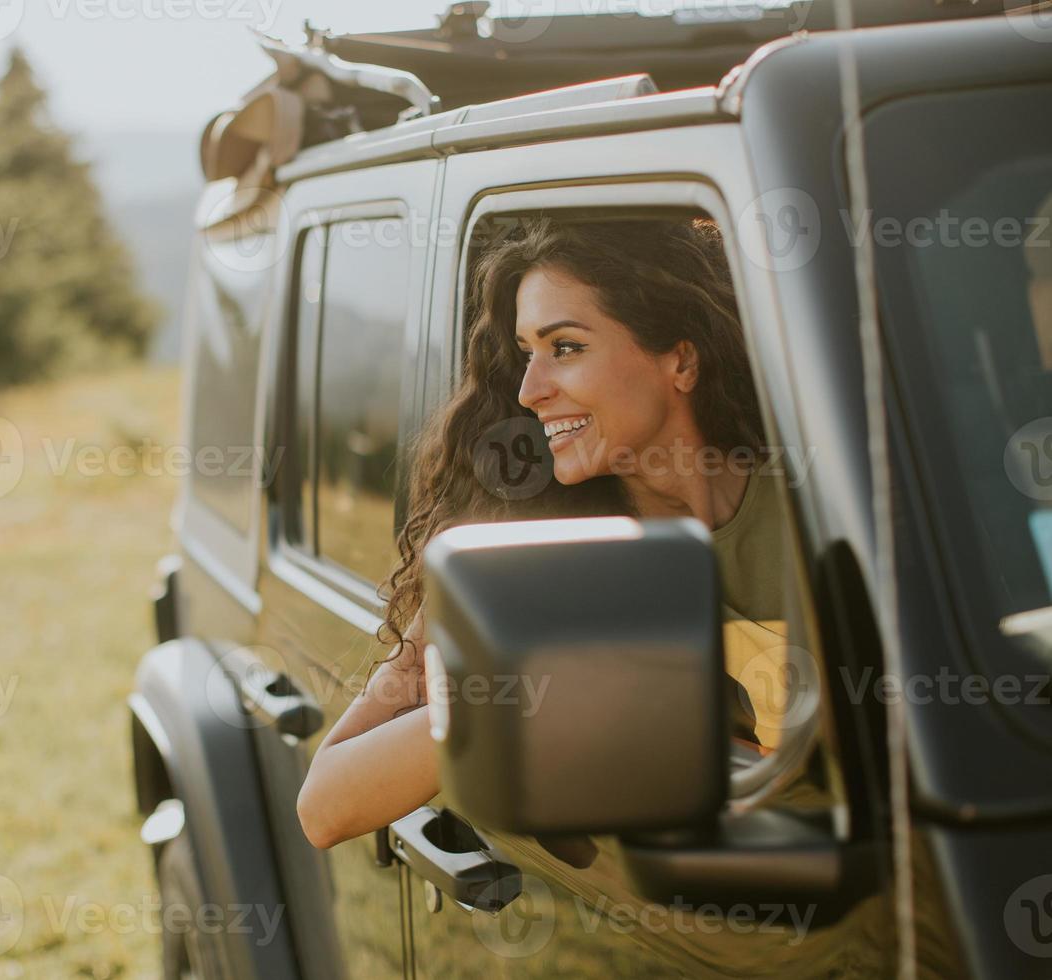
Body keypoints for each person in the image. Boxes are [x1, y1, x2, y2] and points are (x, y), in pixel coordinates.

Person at [296, 216, 786, 850]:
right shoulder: (522, 554)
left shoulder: (824, 512)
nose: (530, 390)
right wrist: (511, 703)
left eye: (567, 347)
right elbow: (324, 804)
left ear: (682, 359)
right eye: (527, 353)